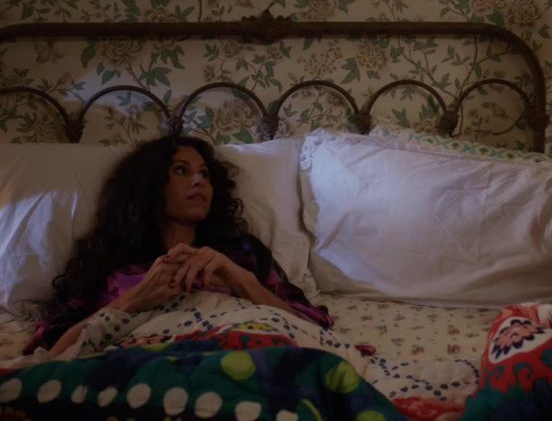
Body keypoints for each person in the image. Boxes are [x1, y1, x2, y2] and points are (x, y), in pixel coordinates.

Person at [24, 135, 332, 356]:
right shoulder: (109, 259)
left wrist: (241, 279)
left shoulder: (242, 252)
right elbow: (55, 353)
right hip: (137, 366)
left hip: (239, 358)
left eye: (204, 174)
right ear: (151, 183)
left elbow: (312, 332)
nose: (199, 181)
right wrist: (133, 300)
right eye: (182, 170)